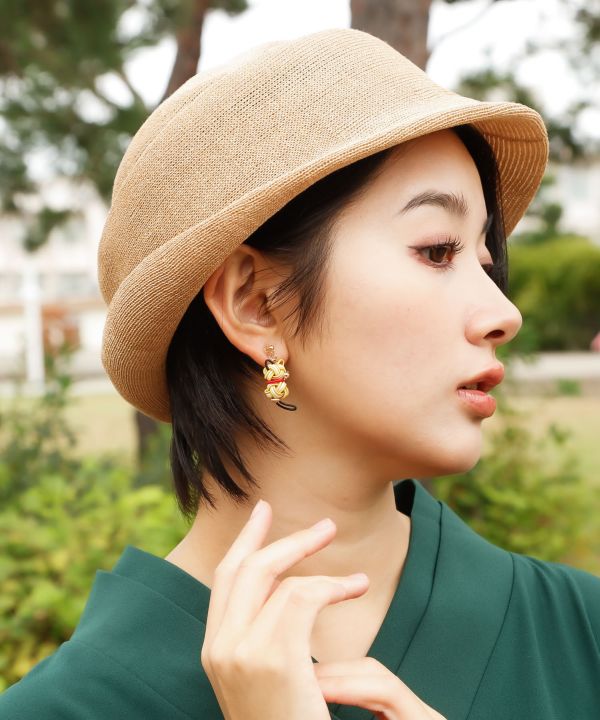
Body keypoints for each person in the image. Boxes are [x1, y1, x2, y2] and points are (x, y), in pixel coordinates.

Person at [2, 27, 599, 720]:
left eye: (484, 260)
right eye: (438, 251)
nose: (503, 313)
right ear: (256, 304)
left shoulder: (580, 634)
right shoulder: (75, 707)